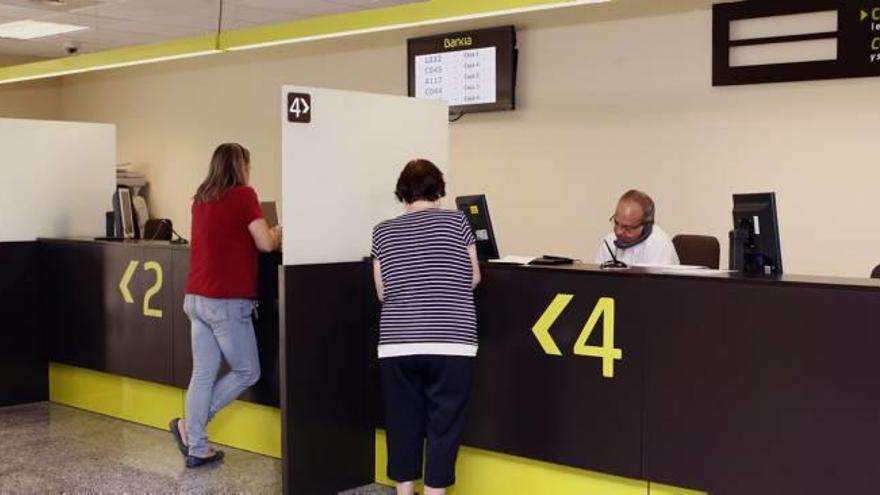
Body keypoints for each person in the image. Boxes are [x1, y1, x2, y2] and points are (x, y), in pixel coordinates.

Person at [371, 159, 481, 495]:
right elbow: (474, 277)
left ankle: (404, 492)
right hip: (452, 342)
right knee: (444, 426)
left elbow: (382, 291)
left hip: (398, 343)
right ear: (438, 190)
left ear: (402, 193)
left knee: (402, 422)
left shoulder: (382, 231)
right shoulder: (459, 222)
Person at [169, 143, 282, 468]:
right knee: (248, 371)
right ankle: (192, 428)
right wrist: (276, 233)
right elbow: (263, 243)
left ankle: (197, 445)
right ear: (240, 166)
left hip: (195, 298)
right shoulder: (244, 195)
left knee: (203, 373)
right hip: (226, 301)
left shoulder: (200, 200)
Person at [595, 189, 679, 266]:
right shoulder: (610, 240)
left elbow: (655, 282)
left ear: (645, 225)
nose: (618, 232)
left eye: (627, 228)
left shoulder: (660, 245)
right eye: (616, 223)